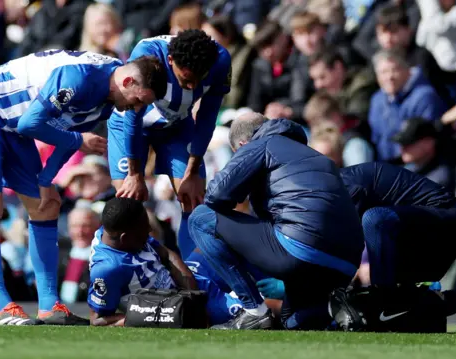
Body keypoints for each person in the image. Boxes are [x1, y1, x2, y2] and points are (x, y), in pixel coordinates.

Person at [0, 49, 167, 326]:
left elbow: (64, 129)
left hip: (14, 127)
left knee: (46, 206)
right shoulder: (80, 79)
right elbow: (33, 124)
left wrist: (46, 180)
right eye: (138, 101)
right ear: (128, 83)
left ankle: (50, 306)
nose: (136, 108)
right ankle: (0, 307)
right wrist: (78, 142)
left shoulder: (109, 97)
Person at [188, 112, 365, 330]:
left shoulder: (261, 144)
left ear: (242, 145)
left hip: (302, 250)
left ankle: (254, 311)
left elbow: (216, 195)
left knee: (200, 218)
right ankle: (339, 307)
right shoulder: (312, 154)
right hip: (346, 264)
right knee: (292, 322)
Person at [107, 30, 231, 259]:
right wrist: (135, 174)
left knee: (193, 202)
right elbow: (133, 117)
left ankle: (196, 277)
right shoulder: (146, 54)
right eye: (186, 79)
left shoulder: (220, 60)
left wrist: (193, 170)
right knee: (127, 205)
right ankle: (134, 275)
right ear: (170, 61)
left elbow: (207, 117)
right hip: (132, 125)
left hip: (176, 126)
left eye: (198, 79)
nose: (193, 87)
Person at [337, 162, 456, 334]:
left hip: (447, 224)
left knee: (375, 219)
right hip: (413, 231)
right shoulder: (332, 184)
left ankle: (382, 306)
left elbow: (344, 250)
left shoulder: (343, 185)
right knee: (405, 312)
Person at [87, 197, 244, 327]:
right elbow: (98, 319)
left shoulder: (114, 230)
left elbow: (167, 254)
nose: (149, 230)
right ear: (125, 238)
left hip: (189, 281)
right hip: (177, 303)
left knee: (228, 242)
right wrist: (151, 316)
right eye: (144, 229)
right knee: (256, 313)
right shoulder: (108, 269)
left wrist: (194, 295)